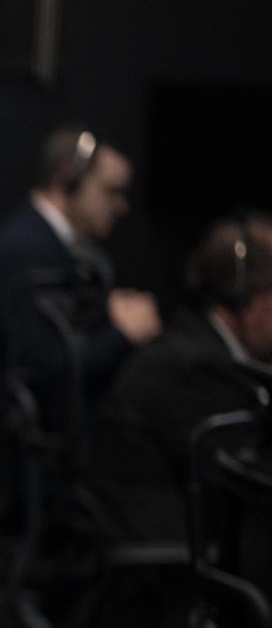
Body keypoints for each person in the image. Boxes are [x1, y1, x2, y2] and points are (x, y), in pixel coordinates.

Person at [0, 125, 162, 493]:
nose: (121, 206)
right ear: (70, 180)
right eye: (111, 192)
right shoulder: (31, 252)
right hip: (25, 454)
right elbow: (48, 366)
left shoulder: (43, 242)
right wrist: (121, 334)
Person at [89, 214, 272, 540]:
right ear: (251, 299)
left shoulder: (198, 346)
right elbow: (247, 484)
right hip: (175, 570)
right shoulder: (194, 368)